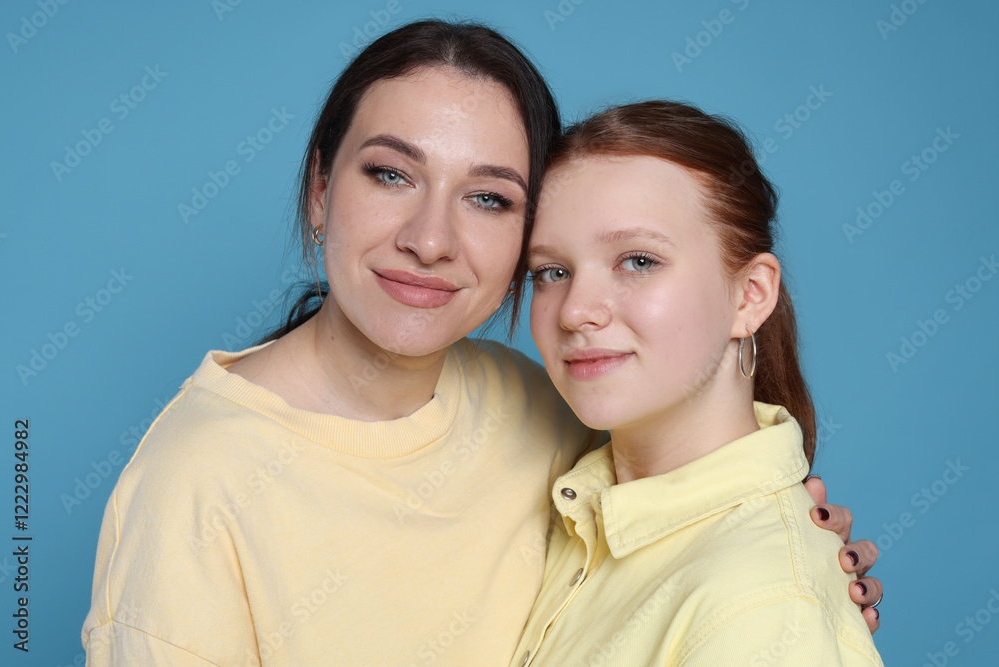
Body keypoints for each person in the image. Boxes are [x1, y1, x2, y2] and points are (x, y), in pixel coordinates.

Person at [82, 21, 880, 666]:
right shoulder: (194, 485)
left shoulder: (537, 407)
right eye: (391, 174)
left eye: (489, 198)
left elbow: (695, 522)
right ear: (322, 189)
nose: (431, 239)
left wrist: (781, 557)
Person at [513, 100, 884, 665]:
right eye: (552, 272)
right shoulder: (564, 492)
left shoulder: (762, 607)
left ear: (750, 294)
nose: (575, 311)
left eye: (637, 261)